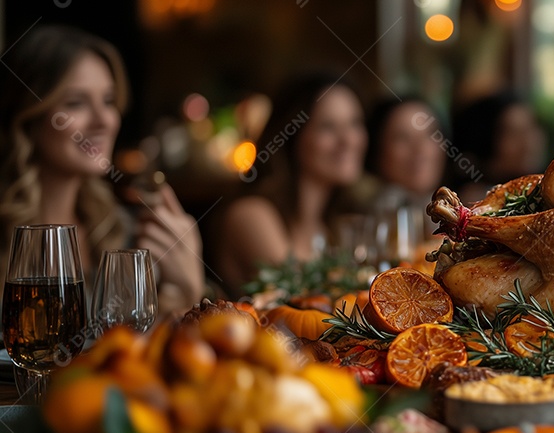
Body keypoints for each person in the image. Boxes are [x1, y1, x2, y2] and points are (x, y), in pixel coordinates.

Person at [0, 25, 204, 314]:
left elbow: (137, 353)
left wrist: (188, 290)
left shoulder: (124, 233)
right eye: (76, 102)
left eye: (108, 101)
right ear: (27, 117)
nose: (104, 121)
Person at [217, 73, 369, 295]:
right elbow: (303, 303)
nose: (348, 140)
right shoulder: (251, 214)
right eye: (328, 126)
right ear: (291, 135)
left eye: (355, 123)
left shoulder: (332, 224)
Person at [451, 91, 547, 204]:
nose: (529, 142)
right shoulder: (476, 204)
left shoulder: (547, 192)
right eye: (513, 133)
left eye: (531, 128)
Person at [364, 96, 448, 212]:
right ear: (376, 150)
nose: (420, 148)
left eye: (430, 135)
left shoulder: (464, 217)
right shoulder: (360, 218)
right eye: (402, 137)